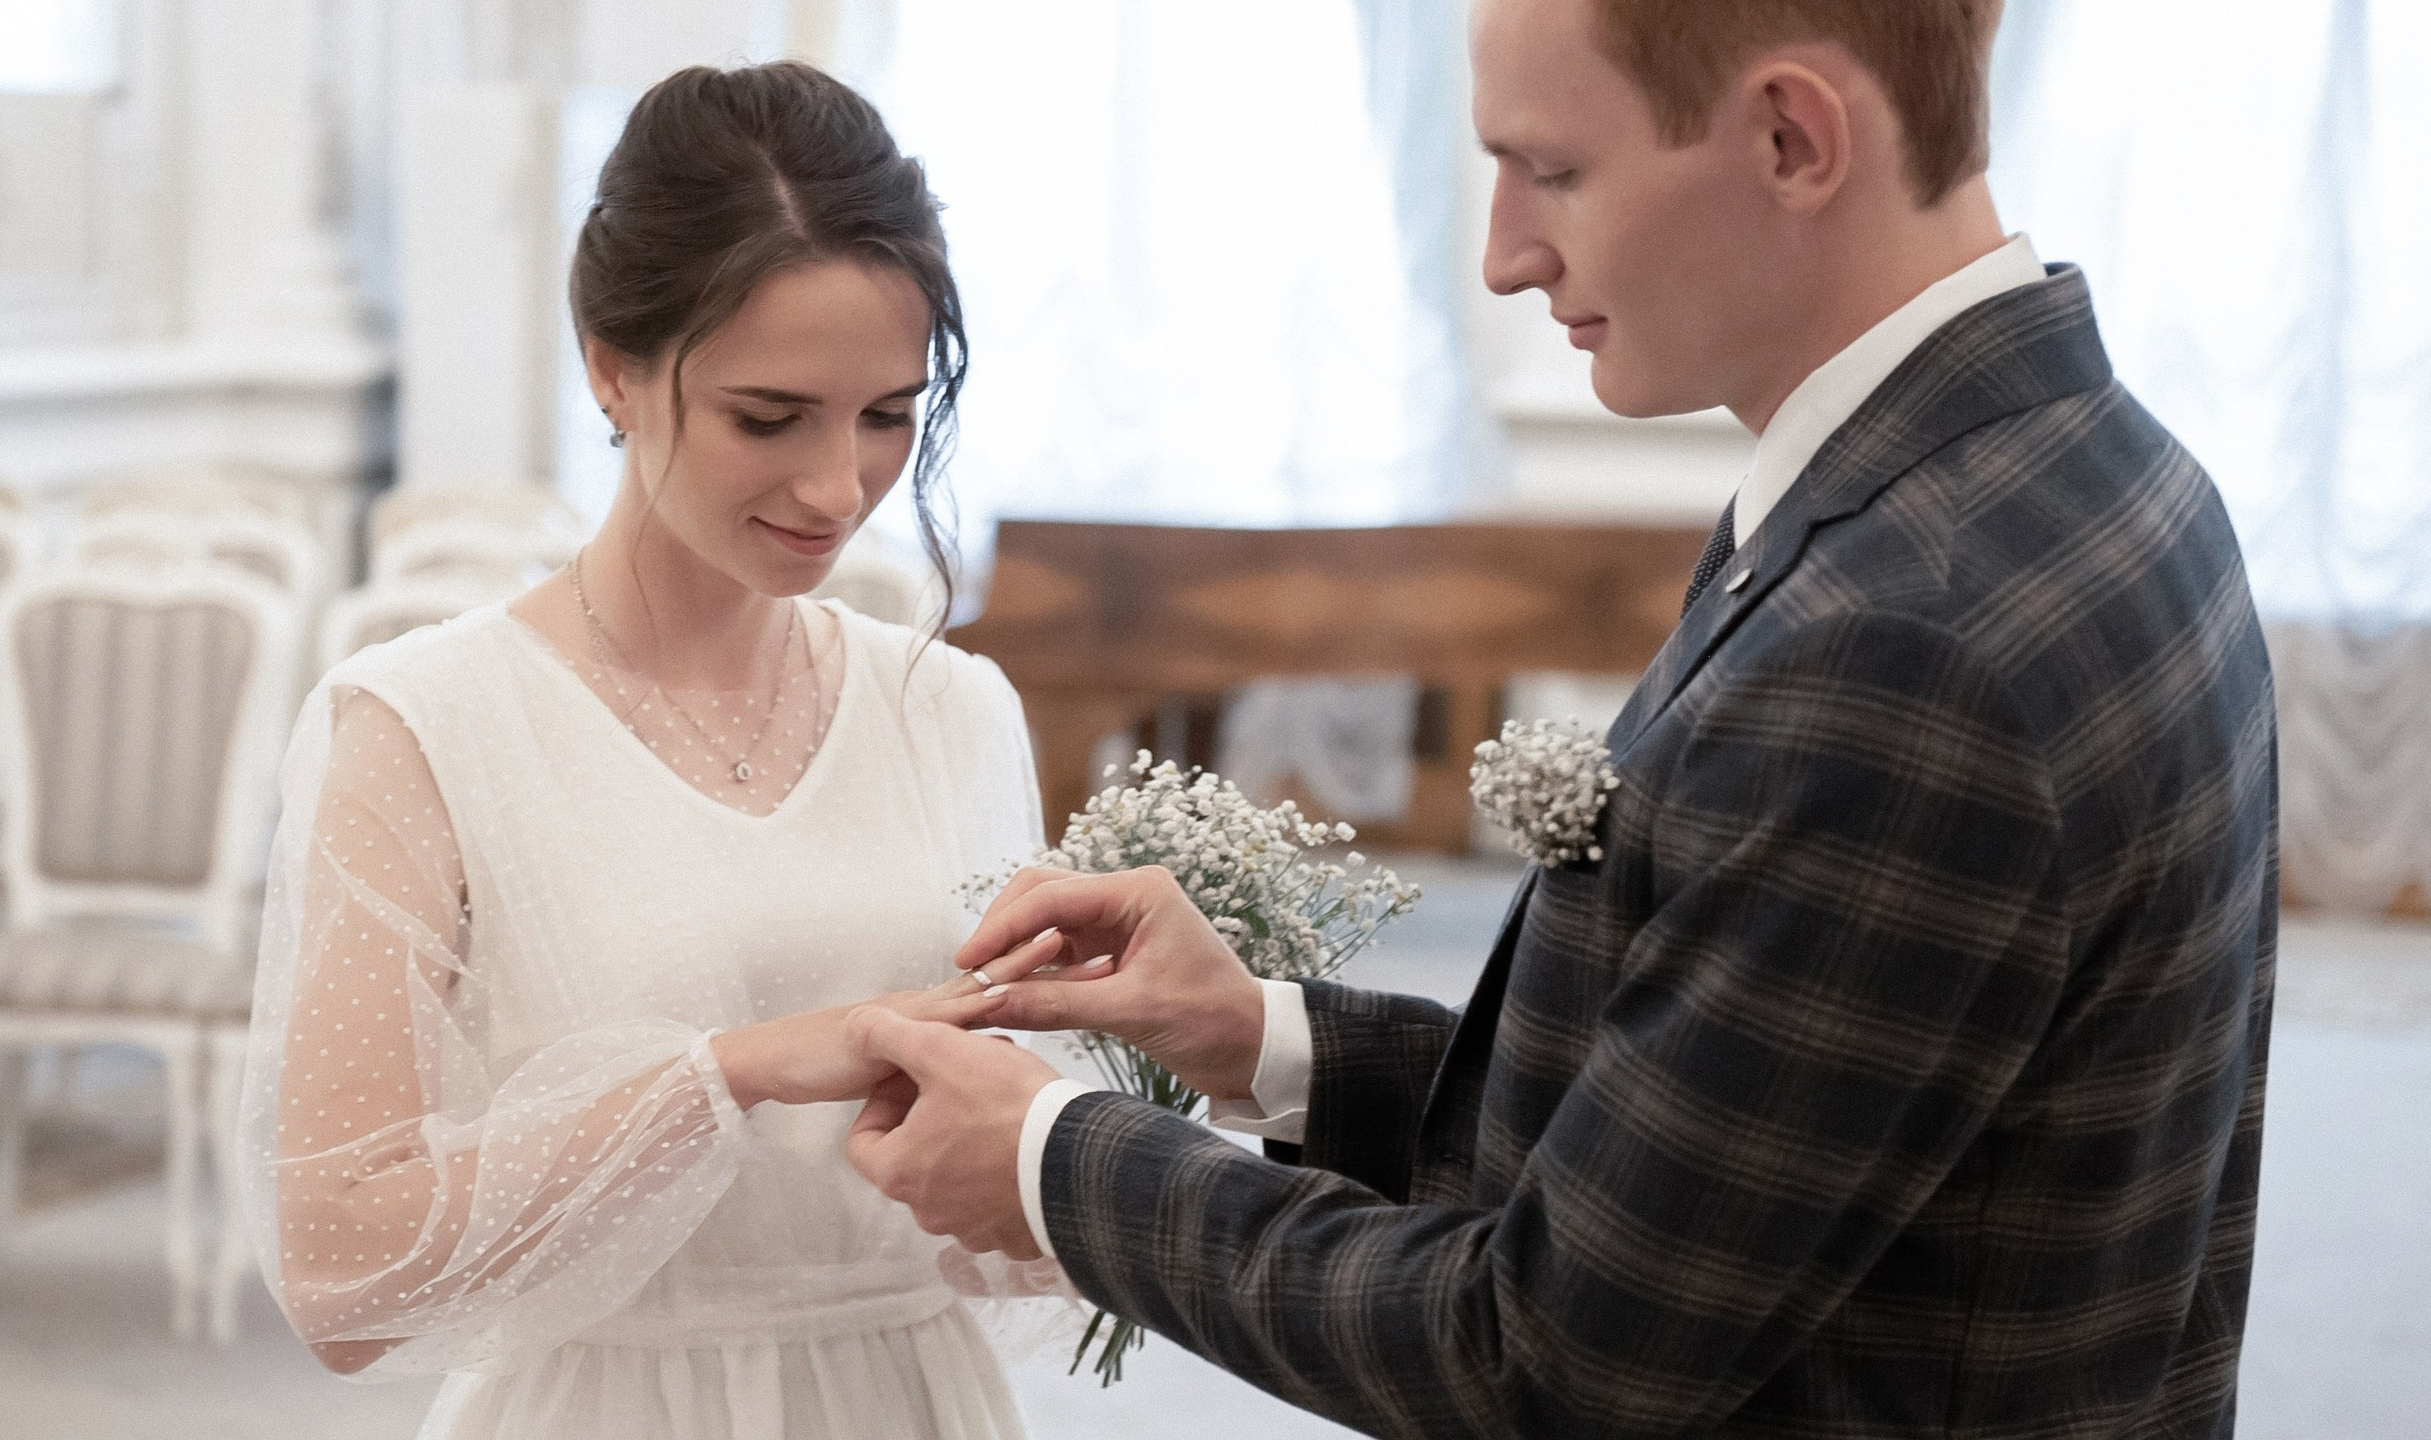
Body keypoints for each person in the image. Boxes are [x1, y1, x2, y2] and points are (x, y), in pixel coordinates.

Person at [839, 2, 2277, 1436]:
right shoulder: (2087, 468)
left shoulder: (1903, 642)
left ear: (1793, 137)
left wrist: (1054, 1159)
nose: (1506, 253)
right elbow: (1731, 1150)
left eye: (1556, 171)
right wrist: (1271, 1042)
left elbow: (1549, 1360)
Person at [238, 62, 1066, 1440]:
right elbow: (343, 1273)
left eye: (885, 416)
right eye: (769, 416)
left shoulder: (953, 710)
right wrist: (728, 1074)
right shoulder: (424, 727)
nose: (838, 489)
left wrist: (1124, 1109)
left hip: (912, 1399)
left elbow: (1000, 1239)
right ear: (610, 365)